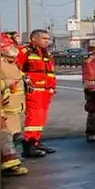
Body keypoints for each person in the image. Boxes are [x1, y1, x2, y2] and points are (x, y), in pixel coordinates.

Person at [16, 29, 56, 157]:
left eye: (47, 38)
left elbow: (50, 73)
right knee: (34, 117)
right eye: (44, 38)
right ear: (34, 39)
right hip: (34, 91)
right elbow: (17, 70)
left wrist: (52, 88)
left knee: (41, 118)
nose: (47, 41)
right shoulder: (25, 52)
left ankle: (36, 142)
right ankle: (29, 144)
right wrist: (27, 85)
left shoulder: (46, 54)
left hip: (46, 91)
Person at [1, 33, 29, 176]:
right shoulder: (0, 64)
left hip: (14, 107)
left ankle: (11, 161)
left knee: (12, 135)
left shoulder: (12, 63)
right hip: (5, 107)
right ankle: (10, 164)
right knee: (6, 136)